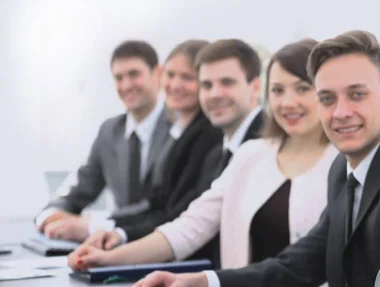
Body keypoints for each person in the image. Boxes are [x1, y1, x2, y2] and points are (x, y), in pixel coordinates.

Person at [117, 31, 380, 287]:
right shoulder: (345, 169)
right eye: (327, 98)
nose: (340, 112)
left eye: (357, 95)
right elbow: (297, 267)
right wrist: (195, 284)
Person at [69, 39, 339, 287]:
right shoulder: (253, 155)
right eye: (278, 90)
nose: (287, 102)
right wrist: (110, 258)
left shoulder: (340, 164)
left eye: (302, 88)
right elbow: (190, 226)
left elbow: (299, 268)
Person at [85, 39, 264, 266]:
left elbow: (184, 219)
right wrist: (115, 245)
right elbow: (191, 223)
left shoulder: (262, 145)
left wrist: (114, 245)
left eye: (226, 82)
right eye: (207, 85)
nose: (215, 93)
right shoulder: (218, 153)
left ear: (255, 87)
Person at [83, 40, 222, 246]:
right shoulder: (180, 132)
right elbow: (159, 203)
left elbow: (178, 212)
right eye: (171, 75)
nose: (175, 85)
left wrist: (117, 233)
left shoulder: (207, 135)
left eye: (187, 78)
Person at [36, 40, 171, 242]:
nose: (126, 85)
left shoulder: (179, 129)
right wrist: (52, 214)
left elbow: (160, 206)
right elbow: (80, 187)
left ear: (158, 74)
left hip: (165, 244)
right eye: (118, 78)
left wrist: (93, 222)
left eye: (134, 75)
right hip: (115, 248)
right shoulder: (109, 132)